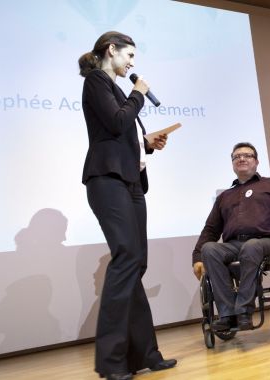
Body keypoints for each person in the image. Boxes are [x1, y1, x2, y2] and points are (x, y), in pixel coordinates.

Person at [78, 31, 176, 380]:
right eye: (129, 55)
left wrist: (147, 144)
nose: (132, 63)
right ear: (111, 50)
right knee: (127, 258)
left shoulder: (117, 88)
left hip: (132, 182)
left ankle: (145, 353)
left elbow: (121, 135)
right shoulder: (96, 82)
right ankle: (112, 361)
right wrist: (139, 93)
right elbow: (117, 121)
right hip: (107, 181)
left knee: (137, 263)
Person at [192, 142, 270, 331]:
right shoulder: (225, 196)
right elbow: (210, 229)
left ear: (257, 161)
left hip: (268, 242)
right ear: (233, 163)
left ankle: (244, 311)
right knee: (210, 249)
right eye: (236, 156)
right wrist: (197, 257)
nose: (241, 158)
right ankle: (227, 314)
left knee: (252, 246)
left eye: (247, 155)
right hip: (235, 244)